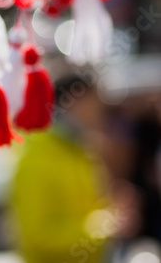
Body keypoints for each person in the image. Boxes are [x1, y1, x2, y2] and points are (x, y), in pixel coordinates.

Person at [10, 74, 113, 263]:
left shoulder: (81, 152)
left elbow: (88, 211)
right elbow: (39, 237)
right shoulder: (36, 158)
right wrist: (104, 228)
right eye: (94, 103)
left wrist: (111, 217)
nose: (101, 111)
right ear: (75, 103)